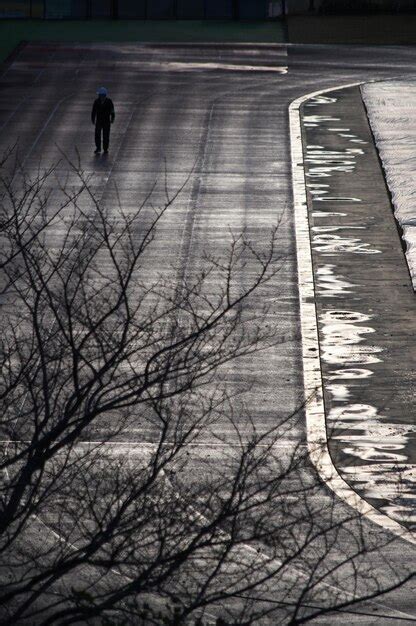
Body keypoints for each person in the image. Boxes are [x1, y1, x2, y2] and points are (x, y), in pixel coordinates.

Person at [91, 87, 115, 154]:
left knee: (106, 136)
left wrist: (112, 118)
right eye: (100, 95)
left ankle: (105, 148)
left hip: (106, 121)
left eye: (102, 95)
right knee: (97, 134)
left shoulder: (109, 102)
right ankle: (98, 148)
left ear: (104, 95)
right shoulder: (96, 101)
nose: (101, 96)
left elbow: (112, 111)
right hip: (99, 121)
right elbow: (94, 111)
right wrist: (93, 119)